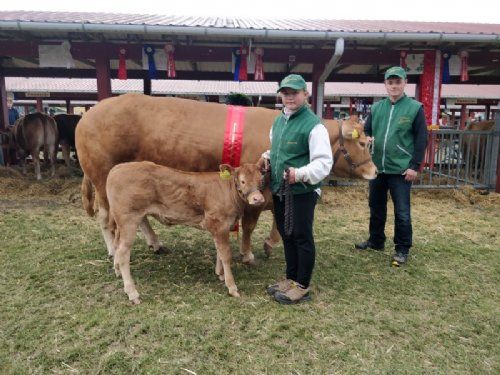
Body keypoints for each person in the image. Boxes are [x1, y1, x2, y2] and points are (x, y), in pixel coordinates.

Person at [260, 74, 333, 304]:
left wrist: (299, 174)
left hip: (302, 191)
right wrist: (267, 157)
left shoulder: (314, 126)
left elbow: (323, 163)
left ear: (305, 94)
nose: (289, 97)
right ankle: (290, 279)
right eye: (286, 93)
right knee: (287, 235)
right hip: (281, 189)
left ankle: (302, 285)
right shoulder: (279, 120)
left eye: (294, 93)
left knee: (301, 236)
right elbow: (278, 150)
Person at [355, 66, 428, 266]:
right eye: (390, 82)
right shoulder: (377, 108)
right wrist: (366, 136)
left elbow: (422, 140)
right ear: (385, 85)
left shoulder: (415, 108)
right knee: (376, 206)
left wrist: (414, 165)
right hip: (378, 167)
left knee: (402, 211)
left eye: (398, 82)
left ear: (405, 83)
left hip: (401, 168)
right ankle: (376, 240)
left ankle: (402, 248)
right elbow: (368, 129)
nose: (394, 86)